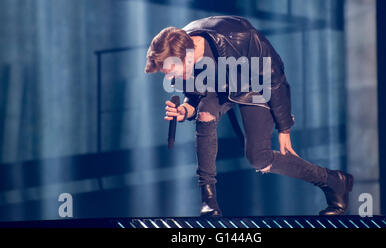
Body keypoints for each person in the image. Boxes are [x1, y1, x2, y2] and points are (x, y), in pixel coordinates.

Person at [144, 15, 353, 216]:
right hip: (221, 89)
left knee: (258, 158)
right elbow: (195, 98)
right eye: (167, 74)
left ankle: (334, 181)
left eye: (173, 70)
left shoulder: (239, 36)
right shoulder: (179, 54)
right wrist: (185, 110)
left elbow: (275, 78)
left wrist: (284, 127)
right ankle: (208, 200)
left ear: (188, 54)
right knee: (205, 115)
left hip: (255, 87)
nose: (172, 77)